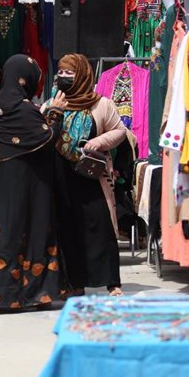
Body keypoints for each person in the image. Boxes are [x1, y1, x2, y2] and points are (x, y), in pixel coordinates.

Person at [0, 54, 67, 312]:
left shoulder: (3, 105)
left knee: (6, 233)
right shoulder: (24, 109)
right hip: (29, 185)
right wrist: (56, 114)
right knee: (34, 231)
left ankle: (1, 293)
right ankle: (34, 293)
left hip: (5, 184)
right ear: (25, 78)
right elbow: (45, 139)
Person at [45, 53, 127, 297]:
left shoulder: (100, 104)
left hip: (91, 176)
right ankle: (75, 283)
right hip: (61, 176)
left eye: (69, 73)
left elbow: (120, 131)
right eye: (60, 72)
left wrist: (98, 142)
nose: (63, 77)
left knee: (100, 226)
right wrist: (52, 112)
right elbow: (43, 134)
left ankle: (112, 282)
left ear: (81, 74)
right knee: (69, 228)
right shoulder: (53, 102)